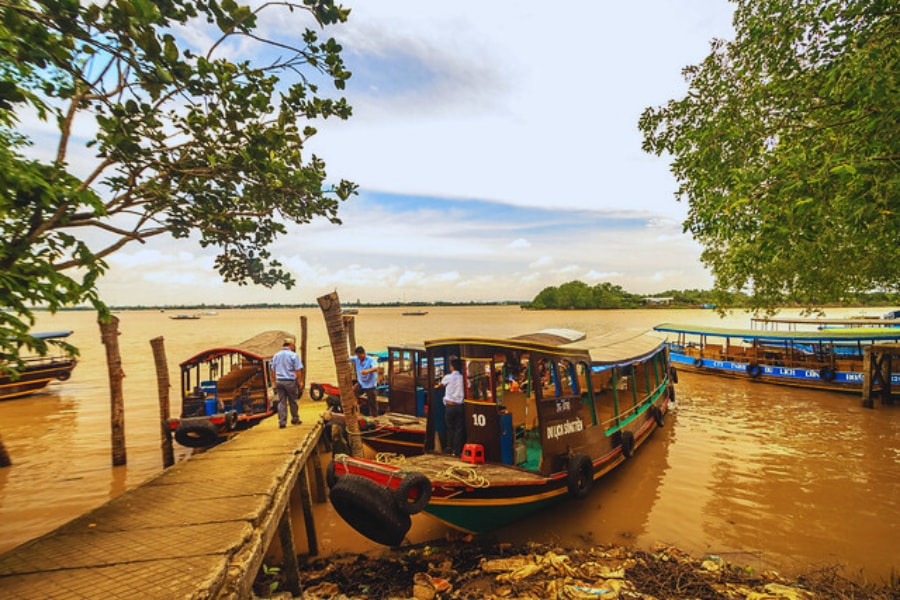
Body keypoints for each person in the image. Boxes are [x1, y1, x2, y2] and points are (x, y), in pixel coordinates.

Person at [270, 338, 304, 428]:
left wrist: (274, 381)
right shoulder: (293, 355)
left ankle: (282, 422)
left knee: (282, 402)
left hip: (279, 381)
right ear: (291, 345)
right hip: (290, 381)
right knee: (293, 401)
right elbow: (298, 370)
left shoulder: (276, 356)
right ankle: (295, 419)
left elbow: (272, 370)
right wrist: (300, 381)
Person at [437, 358, 465, 456]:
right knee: (459, 429)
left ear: (452, 367)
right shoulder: (463, 378)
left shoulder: (448, 377)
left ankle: (452, 448)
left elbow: (440, 386)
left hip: (450, 406)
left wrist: (443, 377)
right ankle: (457, 451)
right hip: (460, 406)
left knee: (450, 428)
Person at [351, 345, 379, 416]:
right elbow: (348, 358)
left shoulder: (371, 360)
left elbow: (375, 368)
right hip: (361, 383)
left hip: (370, 384)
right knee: (353, 392)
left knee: (372, 402)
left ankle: (374, 416)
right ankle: (356, 408)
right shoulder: (357, 359)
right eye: (357, 356)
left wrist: (368, 371)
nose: (359, 358)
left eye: (360, 356)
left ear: (363, 353)